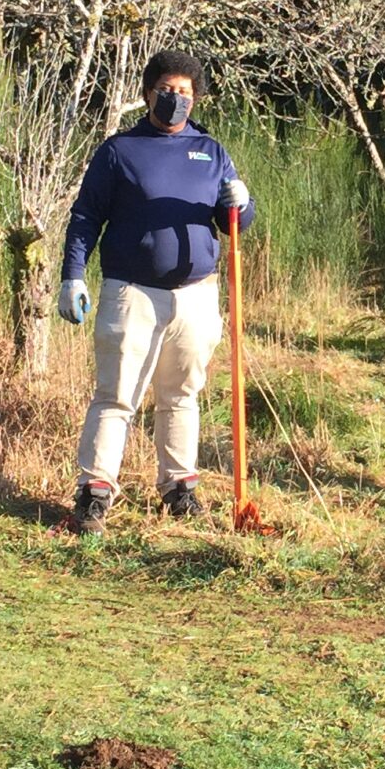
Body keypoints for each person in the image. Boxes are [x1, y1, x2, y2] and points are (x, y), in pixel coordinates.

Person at [57, 49, 255, 532]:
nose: (175, 99)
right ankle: (95, 493)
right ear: (148, 93)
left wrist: (244, 204)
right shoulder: (119, 151)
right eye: (167, 90)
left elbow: (233, 225)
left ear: (196, 97)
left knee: (182, 394)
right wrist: (73, 275)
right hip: (132, 293)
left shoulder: (210, 151)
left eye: (185, 92)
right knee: (117, 395)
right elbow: (85, 216)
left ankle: (179, 488)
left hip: (195, 294)